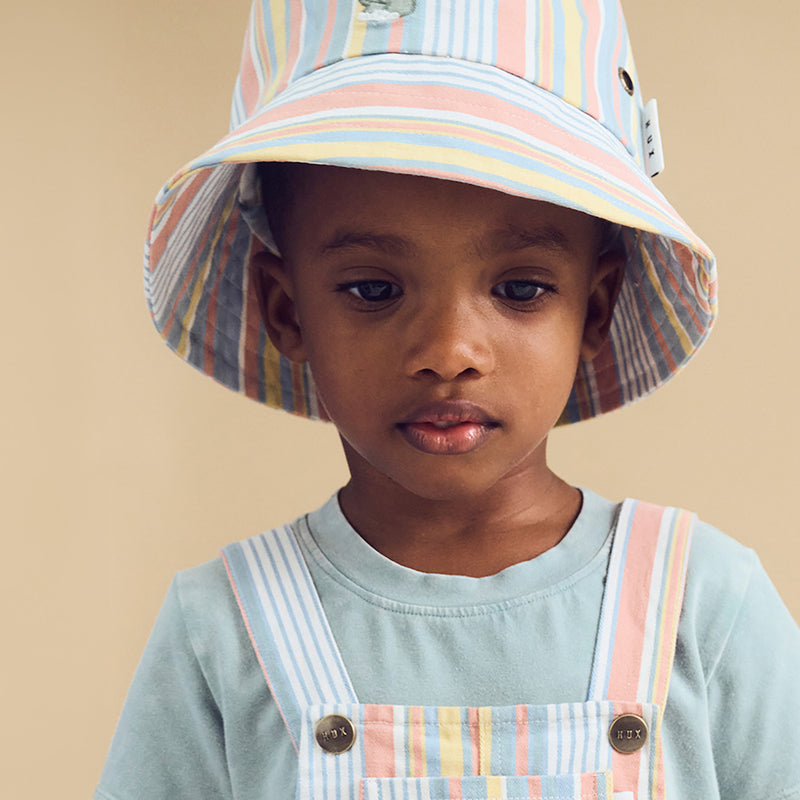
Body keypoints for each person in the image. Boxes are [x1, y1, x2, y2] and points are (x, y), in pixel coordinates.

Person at [95, 1, 800, 798]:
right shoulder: (225, 631)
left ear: (595, 308)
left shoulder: (700, 606)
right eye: (373, 288)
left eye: (520, 288)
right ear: (286, 310)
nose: (448, 352)